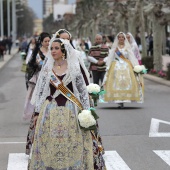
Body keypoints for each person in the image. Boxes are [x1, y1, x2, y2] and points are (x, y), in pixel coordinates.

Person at [28, 38, 106, 170]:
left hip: (71, 110)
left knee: (72, 141)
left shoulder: (74, 68)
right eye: (51, 48)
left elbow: (82, 92)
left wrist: (87, 112)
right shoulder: (47, 69)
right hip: (50, 110)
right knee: (50, 141)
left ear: (63, 50)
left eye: (56, 48)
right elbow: (41, 92)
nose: (53, 51)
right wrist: (36, 113)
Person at [24, 32, 51, 154]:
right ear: (41, 41)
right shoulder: (36, 52)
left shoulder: (53, 51)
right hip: (39, 81)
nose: (48, 43)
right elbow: (29, 65)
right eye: (46, 41)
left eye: (49, 40)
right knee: (38, 105)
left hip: (51, 81)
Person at [103, 32, 144, 108]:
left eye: (122, 37)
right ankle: (118, 100)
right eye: (120, 37)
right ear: (118, 39)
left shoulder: (127, 47)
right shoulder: (115, 47)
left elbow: (131, 57)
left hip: (126, 67)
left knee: (127, 82)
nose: (121, 38)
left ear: (124, 39)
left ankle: (125, 99)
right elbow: (110, 57)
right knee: (116, 82)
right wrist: (108, 66)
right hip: (116, 66)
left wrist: (135, 66)